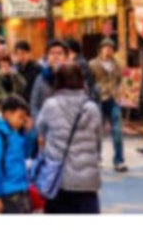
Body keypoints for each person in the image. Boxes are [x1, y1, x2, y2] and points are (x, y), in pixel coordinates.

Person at [31, 60, 104, 214]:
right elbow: (98, 142)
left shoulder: (50, 105)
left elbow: (40, 130)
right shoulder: (92, 108)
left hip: (58, 179)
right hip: (87, 181)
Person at [89, 37, 129, 173]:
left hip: (113, 99)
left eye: (111, 48)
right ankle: (96, 158)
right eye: (106, 48)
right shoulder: (93, 64)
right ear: (100, 50)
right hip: (99, 99)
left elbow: (121, 80)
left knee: (117, 131)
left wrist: (119, 92)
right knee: (97, 131)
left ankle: (119, 160)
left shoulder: (118, 64)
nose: (108, 50)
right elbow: (90, 82)